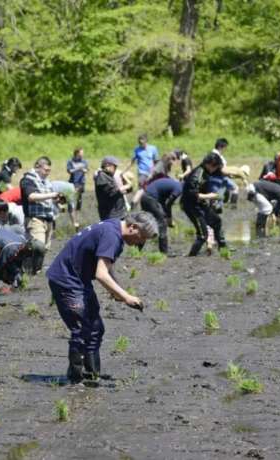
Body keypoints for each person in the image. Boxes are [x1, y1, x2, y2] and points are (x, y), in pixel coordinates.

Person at [46, 212, 157, 384]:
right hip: (67, 280)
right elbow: (101, 274)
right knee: (82, 329)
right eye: (141, 237)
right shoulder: (112, 235)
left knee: (96, 328)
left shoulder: (113, 226)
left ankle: (92, 375)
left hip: (79, 279)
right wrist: (126, 297)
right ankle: (75, 379)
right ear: (133, 227)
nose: (140, 243)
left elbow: (105, 265)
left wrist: (116, 291)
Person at [20, 156, 60, 275]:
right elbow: (31, 196)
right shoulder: (28, 179)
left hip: (48, 219)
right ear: (37, 167)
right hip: (35, 218)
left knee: (44, 249)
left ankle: (34, 272)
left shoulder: (46, 182)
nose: (47, 173)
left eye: (49, 171)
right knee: (38, 246)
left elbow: (47, 199)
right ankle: (26, 271)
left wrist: (57, 200)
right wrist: (51, 195)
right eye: (45, 170)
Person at [181, 152, 226, 256]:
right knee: (202, 235)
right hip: (191, 206)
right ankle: (191, 256)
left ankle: (223, 249)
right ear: (210, 164)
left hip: (200, 204)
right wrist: (211, 196)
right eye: (215, 167)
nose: (215, 170)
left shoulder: (206, 171)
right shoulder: (197, 174)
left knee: (217, 221)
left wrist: (211, 200)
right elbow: (193, 195)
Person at [140, 177, 182, 253]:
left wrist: (165, 215)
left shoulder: (175, 184)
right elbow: (168, 203)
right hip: (150, 199)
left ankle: (138, 248)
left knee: (146, 224)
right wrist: (169, 219)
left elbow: (163, 202)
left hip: (145, 197)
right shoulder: (179, 188)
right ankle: (164, 251)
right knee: (162, 223)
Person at [124, 134, 159, 206]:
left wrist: (154, 172)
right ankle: (133, 204)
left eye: (142, 143)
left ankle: (153, 204)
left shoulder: (153, 149)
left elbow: (156, 162)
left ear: (146, 141)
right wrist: (125, 170)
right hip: (142, 173)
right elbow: (132, 162)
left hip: (152, 172)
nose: (141, 144)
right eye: (139, 143)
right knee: (141, 189)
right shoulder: (137, 150)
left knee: (153, 189)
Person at [95, 156, 131, 221]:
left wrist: (126, 181)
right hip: (111, 214)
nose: (116, 169)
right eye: (115, 167)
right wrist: (126, 186)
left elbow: (126, 190)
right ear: (107, 165)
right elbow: (112, 192)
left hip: (119, 213)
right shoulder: (102, 176)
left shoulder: (109, 176)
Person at [67, 148, 88, 224]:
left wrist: (84, 170)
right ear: (77, 154)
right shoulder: (70, 161)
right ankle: (73, 221)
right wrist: (77, 168)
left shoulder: (84, 161)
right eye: (81, 153)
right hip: (72, 183)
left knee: (79, 202)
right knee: (71, 202)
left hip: (81, 183)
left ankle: (77, 220)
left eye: (83, 153)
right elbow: (69, 171)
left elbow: (86, 170)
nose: (82, 154)